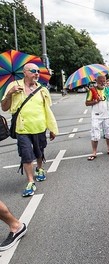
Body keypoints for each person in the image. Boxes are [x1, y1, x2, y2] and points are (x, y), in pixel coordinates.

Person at [1, 63, 58, 197]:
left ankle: (39, 168)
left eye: (38, 71)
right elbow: (4, 108)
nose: (36, 73)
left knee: (39, 151)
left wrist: (52, 128)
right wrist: (10, 94)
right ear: (24, 72)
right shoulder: (13, 86)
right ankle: (30, 181)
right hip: (22, 128)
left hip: (39, 126)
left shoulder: (43, 90)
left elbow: (47, 111)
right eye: (33, 71)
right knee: (26, 155)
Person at [85, 75, 109, 160]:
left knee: (108, 133)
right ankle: (94, 152)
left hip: (106, 116)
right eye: (100, 81)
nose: (102, 83)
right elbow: (87, 103)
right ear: (97, 82)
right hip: (96, 116)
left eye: (104, 81)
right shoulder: (92, 91)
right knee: (95, 134)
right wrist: (95, 101)